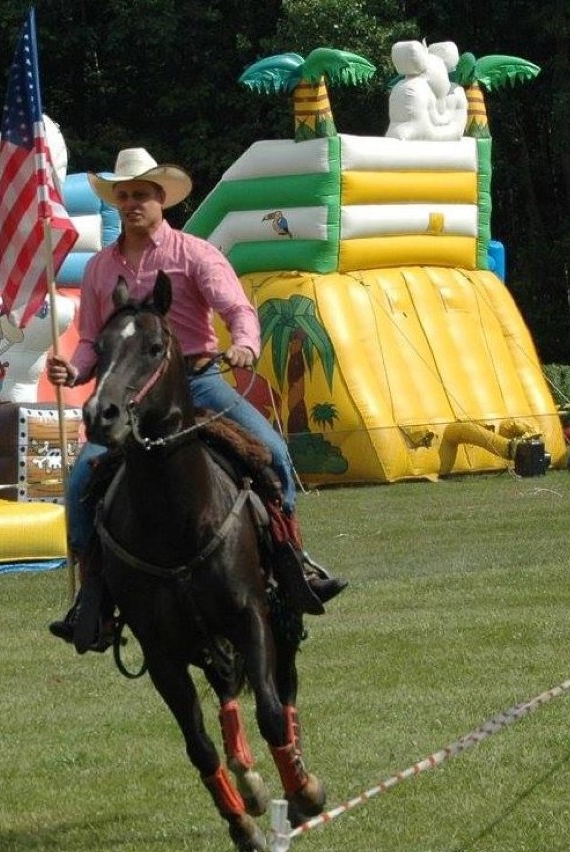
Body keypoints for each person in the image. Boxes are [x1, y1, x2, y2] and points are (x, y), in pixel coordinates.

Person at [47, 148, 346, 650]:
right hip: (128, 393)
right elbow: (91, 338)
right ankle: (91, 596)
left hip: (199, 381)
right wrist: (74, 368)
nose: (131, 203)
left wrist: (247, 343)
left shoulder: (196, 254)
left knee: (272, 451)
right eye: (123, 196)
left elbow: (236, 309)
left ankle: (295, 563)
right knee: (80, 479)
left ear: (161, 199)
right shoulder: (100, 268)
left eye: (141, 194)